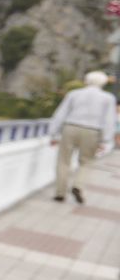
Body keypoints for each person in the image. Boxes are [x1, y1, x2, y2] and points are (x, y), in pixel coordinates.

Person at [49, 69, 116, 202]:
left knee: (63, 161)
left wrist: (53, 134)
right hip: (93, 131)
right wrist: (105, 140)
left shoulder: (74, 94)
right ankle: (78, 186)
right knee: (86, 162)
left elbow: (60, 114)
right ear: (103, 83)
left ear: (86, 80)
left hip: (71, 127)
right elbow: (109, 120)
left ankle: (60, 193)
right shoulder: (108, 98)